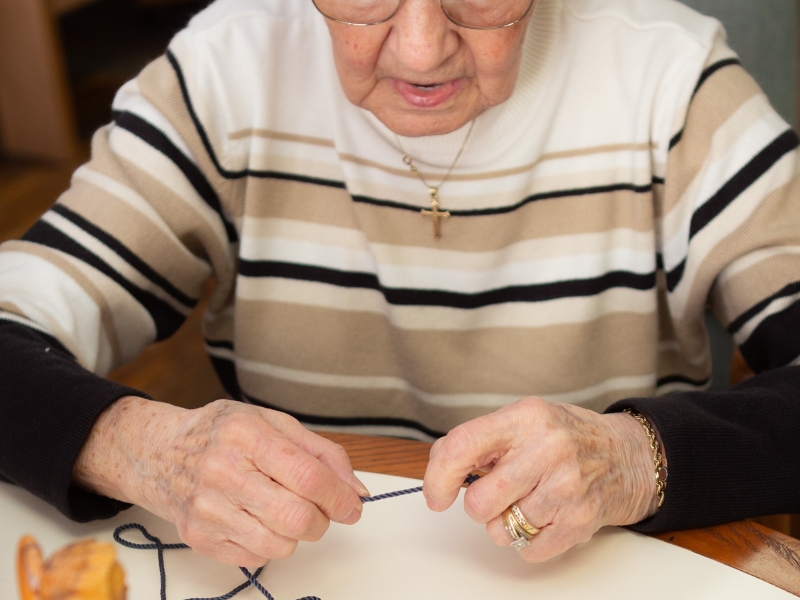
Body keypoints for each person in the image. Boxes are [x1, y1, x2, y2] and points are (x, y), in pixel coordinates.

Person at [1, 0, 799, 568]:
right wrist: (146, 451)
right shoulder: (222, 71)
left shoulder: (672, 78)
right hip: (311, 572)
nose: (420, 51)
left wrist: (635, 459)